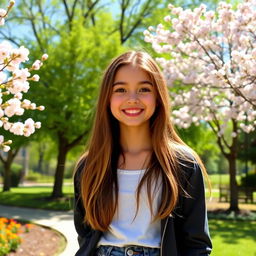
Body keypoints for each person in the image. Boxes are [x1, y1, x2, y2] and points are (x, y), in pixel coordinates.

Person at [73, 50, 212, 256]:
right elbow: (85, 234)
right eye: (120, 89)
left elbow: (197, 245)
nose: (132, 98)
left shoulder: (183, 163)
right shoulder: (90, 166)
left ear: (158, 97)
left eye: (144, 89)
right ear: (107, 98)